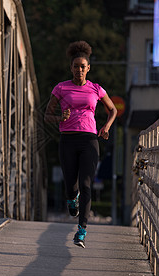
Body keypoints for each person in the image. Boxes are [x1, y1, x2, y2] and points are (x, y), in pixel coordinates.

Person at [44, 41, 117, 248]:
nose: (79, 70)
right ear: (71, 68)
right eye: (75, 66)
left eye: (82, 66)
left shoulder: (96, 88)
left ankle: (81, 231)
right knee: (71, 185)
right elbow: (46, 116)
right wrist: (60, 117)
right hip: (67, 139)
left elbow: (112, 110)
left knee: (86, 184)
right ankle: (71, 199)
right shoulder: (61, 88)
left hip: (89, 140)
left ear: (88, 68)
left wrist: (106, 127)